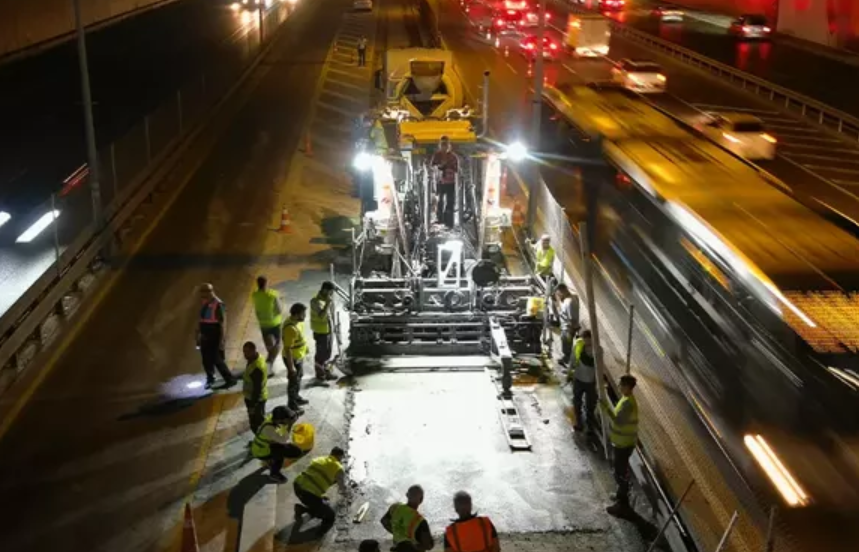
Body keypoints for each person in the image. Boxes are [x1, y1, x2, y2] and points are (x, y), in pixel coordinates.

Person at [601, 374, 639, 516]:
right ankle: (620, 495)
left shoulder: (628, 403)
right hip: (622, 442)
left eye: (622, 385)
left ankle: (622, 504)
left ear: (628, 387)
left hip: (624, 444)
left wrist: (605, 408)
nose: (619, 387)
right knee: (620, 470)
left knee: (619, 473)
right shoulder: (626, 399)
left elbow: (619, 421)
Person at [293, 446, 347, 536]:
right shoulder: (338, 468)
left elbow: (315, 476)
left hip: (297, 486)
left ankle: (303, 508)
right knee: (330, 516)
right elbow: (342, 487)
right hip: (308, 495)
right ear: (340, 456)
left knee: (322, 501)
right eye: (342, 457)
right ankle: (319, 533)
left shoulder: (320, 459)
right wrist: (346, 494)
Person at [196, 283, 237, 388]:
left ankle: (230, 379)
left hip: (214, 334)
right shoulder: (205, 302)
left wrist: (222, 340)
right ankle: (210, 377)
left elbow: (223, 324)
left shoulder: (219, 304)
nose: (201, 295)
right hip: (205, 334)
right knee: (205, 358)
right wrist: (198, 334)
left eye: (203, 292)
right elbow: (202, 320)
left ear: (209, 292)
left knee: (216, 358)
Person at [251, 406, 303, 483]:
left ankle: (271, 460)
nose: (289, 420)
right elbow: (284, 440)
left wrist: (296, 414)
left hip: (265, 445)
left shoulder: (273, 418)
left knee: (284, 448)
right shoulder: (269, 429)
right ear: (279, 420)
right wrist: (290, 425)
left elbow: (281, 428)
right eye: (287, 419)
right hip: (261, 451)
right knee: (292, 452)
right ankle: (274, 473)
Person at [381, 485, 434, 552]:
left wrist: (396, 533)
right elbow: (429, 545)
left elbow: (384, 521)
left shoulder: (395, 507)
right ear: (421, 499)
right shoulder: (420, 520)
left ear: (407, 495)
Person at [251, 275, 283, 375]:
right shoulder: (273, 294)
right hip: (275, 323)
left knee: (269, 346)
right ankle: (268, 364)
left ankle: (268, 365)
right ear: (266, 283)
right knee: (278, 344)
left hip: (263, 324)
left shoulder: (254, 295)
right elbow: (279, 310)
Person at [282, 303, 311, 414]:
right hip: (293, 359)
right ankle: (292, 405)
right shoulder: (290, 329)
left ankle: (296, 398)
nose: (305, 316)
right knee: (293, 382)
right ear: (296, 314)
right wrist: (291, 367)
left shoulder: (297, 323)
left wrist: (305, 349)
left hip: (298, 356)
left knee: (298, 378)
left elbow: (300, 338)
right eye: (303, 314)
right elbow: (288, 349)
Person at [310, 282, 339, 382]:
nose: (331, 294)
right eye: (330, 292)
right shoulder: (315, 301)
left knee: (327, 354)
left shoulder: (328, 300)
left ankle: (326, 372)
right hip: (320, 331)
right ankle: (320, 375)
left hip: (328, 330)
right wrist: (328, 303)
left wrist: (334, 327)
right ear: (325, 290)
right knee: (320, 355)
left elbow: (331, 315)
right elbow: (321, 315)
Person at [570, 330, 597, 434]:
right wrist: (570, 372)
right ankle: (579, 423)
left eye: (588, 340)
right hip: (579, 379)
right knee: (577, 402)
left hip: (590, 381)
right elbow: (572, 359)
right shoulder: (578, 345)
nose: (587, 342)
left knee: (590, 404)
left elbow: (599, 366)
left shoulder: (597, 350)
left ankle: (590, 425)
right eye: (585, 339)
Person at [430, 136, 459, 227]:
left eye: (446, 144)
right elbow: (433, 166)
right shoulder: (437, 155)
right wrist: (439, 167)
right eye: (442, 144)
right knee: (440, 201)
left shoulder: (453, 156)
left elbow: (456, 169)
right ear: (440, 145)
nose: (444, 146)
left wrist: (447, 167)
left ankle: (449, 222)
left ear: (448, 145)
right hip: (440, 182)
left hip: (450, 182)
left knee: (450, 201)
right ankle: (440, 219)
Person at [242, 341, 269, 434]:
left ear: (254, 351)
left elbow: (257, 390)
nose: (245, 354)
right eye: (244, 351)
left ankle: (261, 441)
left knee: (257, 423)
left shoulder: (256, 368)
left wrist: (253, 405)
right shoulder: (257, 357)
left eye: (247, 352)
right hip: (253, 397)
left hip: (256, 400)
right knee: (257, 421)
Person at [554, 284, 580, 366]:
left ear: (563, 291)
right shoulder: (573, 297)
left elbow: (572, 319)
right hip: (566, 327)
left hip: (567, 328)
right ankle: (566, 359)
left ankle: (568, 364)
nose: (558, 296)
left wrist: (570, 332)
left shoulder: (569, 302)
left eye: (559, 294)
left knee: (566, 347)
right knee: (567, 345)